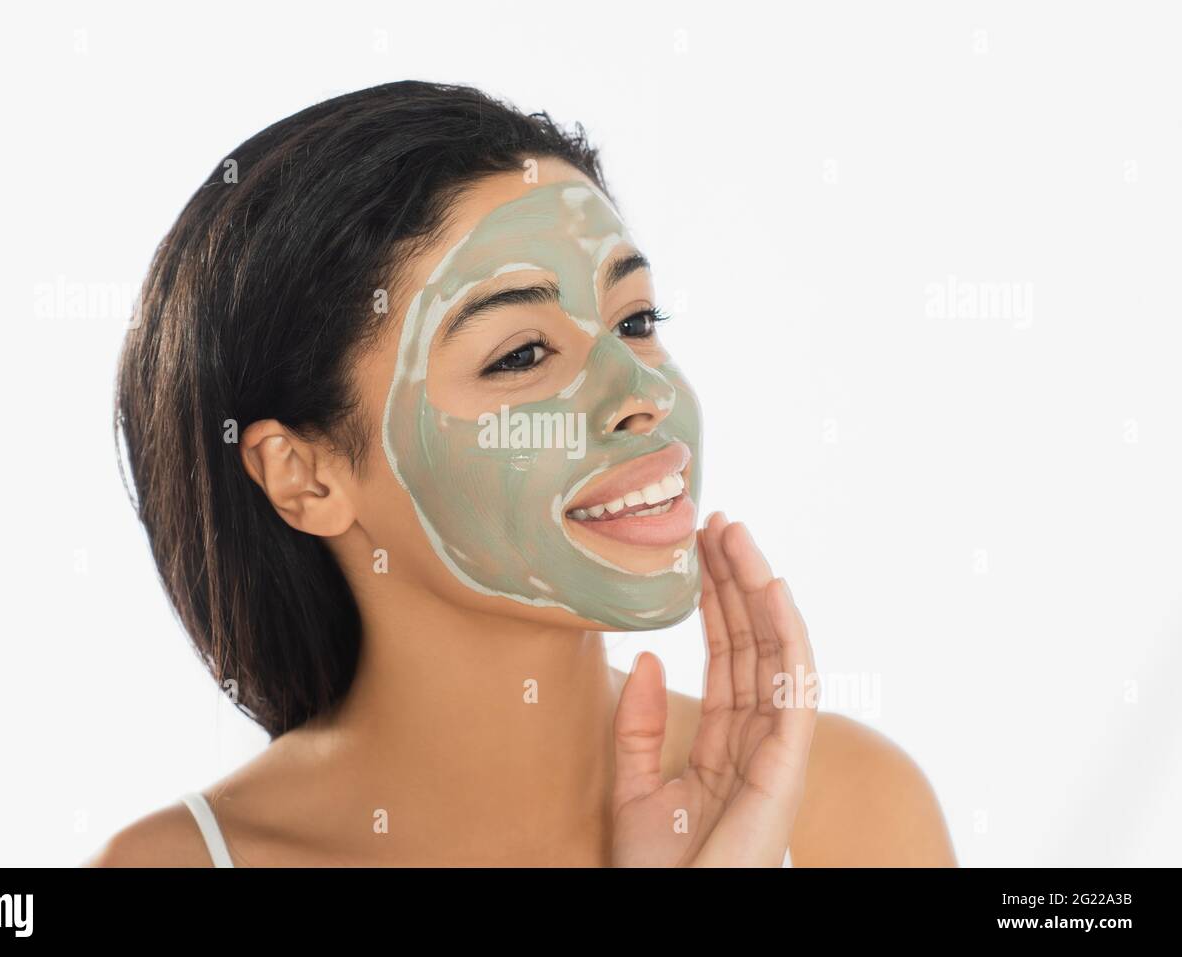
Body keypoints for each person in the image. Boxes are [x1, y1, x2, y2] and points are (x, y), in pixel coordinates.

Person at [87, 80, 956, 867]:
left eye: (635, 318)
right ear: (304, 476)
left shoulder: (847, 807)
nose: (643, 392)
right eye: (523, 354)